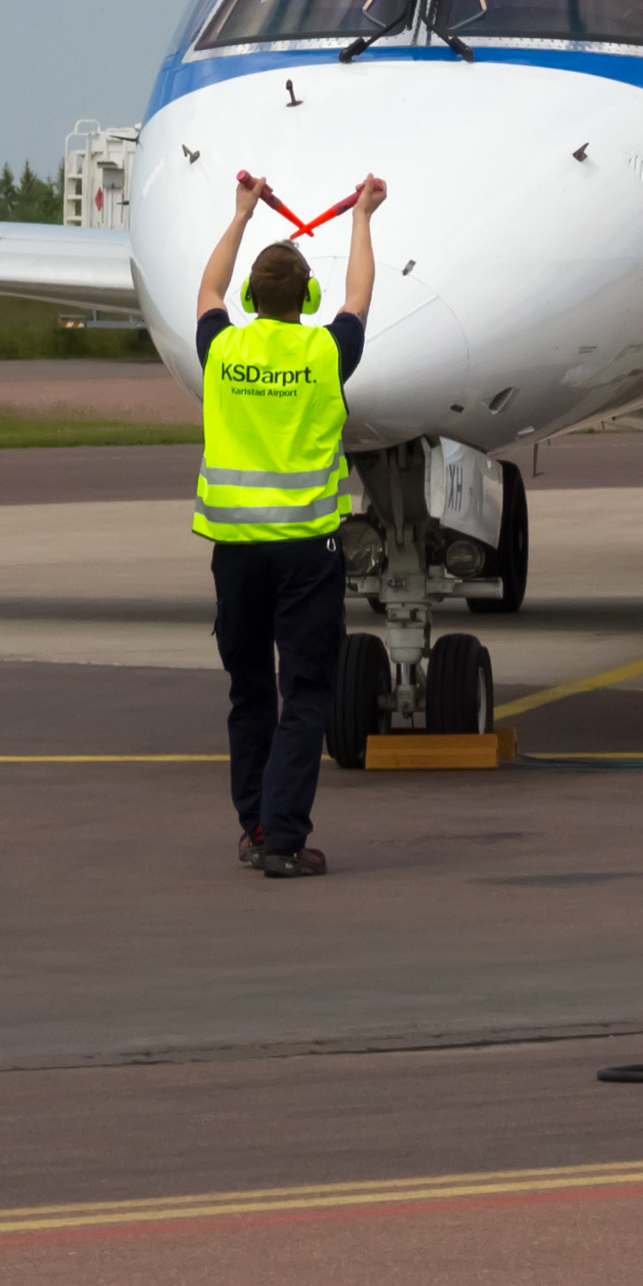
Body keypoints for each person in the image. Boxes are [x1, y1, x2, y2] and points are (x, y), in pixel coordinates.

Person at [193, 170, 381, 880]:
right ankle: (284, 840)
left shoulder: (224, 350)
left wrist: (241, 215)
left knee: (248, 691)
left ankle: (255, 827)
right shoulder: (325, 352)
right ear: (307, 299)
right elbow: (359, 296)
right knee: (303, 695)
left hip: (235, 551)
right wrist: (361, 218)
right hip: (307, 551)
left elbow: (209, 292)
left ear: (250, 300)